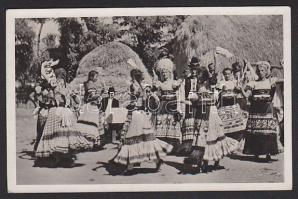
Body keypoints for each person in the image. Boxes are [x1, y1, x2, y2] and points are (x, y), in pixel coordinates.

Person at [112, 69, 173, 174]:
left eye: (132, 76)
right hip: (142, 115)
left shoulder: (134, 87)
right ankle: (155, 160)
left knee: (131, 139)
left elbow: (134, 100)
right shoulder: (142, 87)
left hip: (136, 115)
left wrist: (126, 102)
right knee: (146, 140)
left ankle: (131, 166)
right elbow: (147, 99)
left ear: (133, 77)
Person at [183, 66, 239, 173]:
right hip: (201, 112)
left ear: (203, 75)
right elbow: (194, 99)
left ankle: (214, 160)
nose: (197, 76)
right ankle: (203, 162)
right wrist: (192, 100)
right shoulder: (197, 85)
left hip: (211, 112)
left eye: (199, 74)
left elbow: (213, 82)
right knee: (202, 137)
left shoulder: (211, 84)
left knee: (213, 135)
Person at [35, 65, 92, 167]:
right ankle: (64, 157)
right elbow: (77, 100)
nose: (62, 76)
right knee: (64, 134)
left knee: (58, 135)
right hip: (63, 112)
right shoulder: (66, 86)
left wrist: (43, 67)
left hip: (58, 112)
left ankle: (59, 157)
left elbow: (44, 75)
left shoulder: (58, 84)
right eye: (63, 74)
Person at [242, 61, 280, 162]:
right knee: (256, 130)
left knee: (267, 131)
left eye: (262, 70)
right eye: (259, 70)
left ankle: (268, 154)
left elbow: (272, 95)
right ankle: (256, 152)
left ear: (266, 71)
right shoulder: (253, 83)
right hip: (255, 109)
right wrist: (241, 89)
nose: (260, 72)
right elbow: (246, 95)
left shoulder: (270, 82)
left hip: (266, 109)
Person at [152, 58, 184, 152]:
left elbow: (179, 94)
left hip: (172, 105)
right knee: (162, 123)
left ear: (170, 73)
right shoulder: (160, 84)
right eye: (163, 72)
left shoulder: (174, 83)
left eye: (166, 72)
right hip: (163, 106)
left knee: (172, 123)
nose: (165, 74)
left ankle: (174, 146)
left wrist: (179, 107)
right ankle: (163, 146)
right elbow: (157, 93)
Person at [75, 70, 105, 150]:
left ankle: (88, 142)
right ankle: (94, 144)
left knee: (88, 124)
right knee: (93, 124)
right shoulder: (90, 84)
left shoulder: (87, 83)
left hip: (88, 106)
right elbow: (92, 96)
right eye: (96, 76)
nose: (97, 78)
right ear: (92, 77)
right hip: (91, 106)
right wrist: (101, 93)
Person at [216, 68, 248, 141]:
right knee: (225, 121)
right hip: (224, 104)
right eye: (225, 74)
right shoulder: (221, 82)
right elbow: (218, 91)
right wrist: (222, 89)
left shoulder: (234, 82)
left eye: (228, 74)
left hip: (233, 104)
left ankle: (236, 137)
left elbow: (239, 90)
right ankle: (226, 137)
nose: (227, 75)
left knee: (235, 120)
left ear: (231, 74)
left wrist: (239, 86)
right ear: (223, 75)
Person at [177, 57, 200, 155]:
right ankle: (188, 147)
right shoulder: (186, 80)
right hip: (189, 104)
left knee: (198, 123)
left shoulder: (201, 80)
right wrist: (183, 102)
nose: (194, 70)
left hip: (199, 104)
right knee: (189, 123)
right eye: (192, 68)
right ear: (190, 69)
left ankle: (197, 146)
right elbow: (182, 93)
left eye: (196, 68)